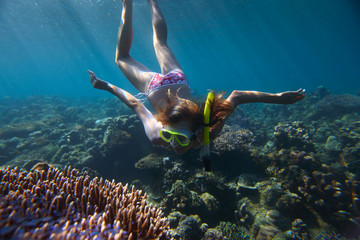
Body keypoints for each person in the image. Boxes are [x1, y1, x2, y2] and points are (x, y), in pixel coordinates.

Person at [88, 0, 305, 170]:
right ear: (193, 133)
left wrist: (106, 85)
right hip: (157, 85)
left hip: (177, 79)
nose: (173, 143)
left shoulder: (169, 135)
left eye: (170, 135)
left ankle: (135, 2)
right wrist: (277, 99)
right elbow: (238, 95)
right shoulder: (171, 134)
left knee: (154, 45)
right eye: (176, 136)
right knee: (129, 55)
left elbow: (136, 104)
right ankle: (134, 3)